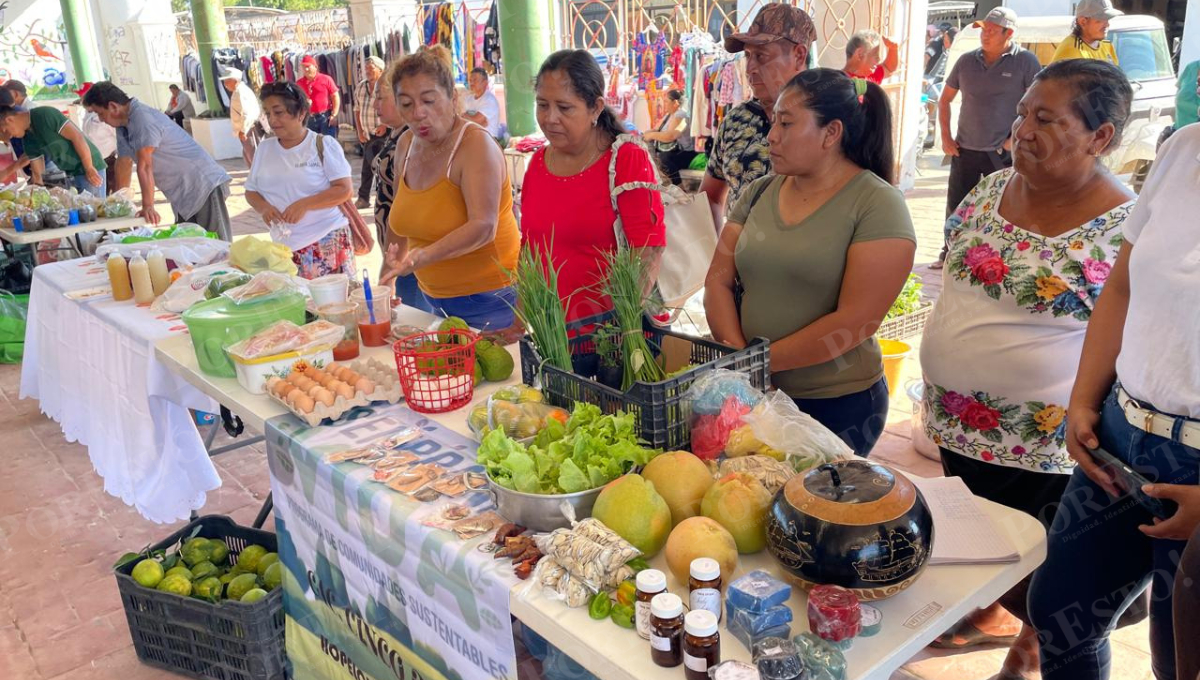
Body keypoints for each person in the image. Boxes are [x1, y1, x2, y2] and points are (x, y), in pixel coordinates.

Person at [921, 59, 1136, 680]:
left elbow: (1130, 338)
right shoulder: (989, 187)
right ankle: (991, 614)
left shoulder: (1125, 226)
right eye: (1022, 113)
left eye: (1046, 118)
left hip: (1046, 444)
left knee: (1049, 570)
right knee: (983, 539)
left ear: (1101, 137)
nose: (1022, 129)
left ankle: (1027, 654)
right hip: (959, 424)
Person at [1027, 123, 1200, 680]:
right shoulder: (1184, 148)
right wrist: (1085, 399)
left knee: (1181, 661)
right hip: (1122, 437)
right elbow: (1122, 286)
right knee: (1061, 610)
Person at [704, 70, 916, 457]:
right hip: (754, 395)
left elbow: (854, 323)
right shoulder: (758, 192)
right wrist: (744, 366)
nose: (772, 136)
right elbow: (717, 280)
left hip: (835, 404)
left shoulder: (877, 204)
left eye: (786, 123)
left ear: (831, 133)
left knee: (813, 510)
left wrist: (757, 364)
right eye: (774, 123)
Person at [520, 49, 665, 326]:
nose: (550, 118)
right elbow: (529, 249)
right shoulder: (538, 162)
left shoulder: (626, 158)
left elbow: (649, 251)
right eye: (542, 104)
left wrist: (623, 330)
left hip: (609, 339)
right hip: (552, 336)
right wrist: (522, 317)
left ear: (596, 108)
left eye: (564, 108)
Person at [379, 46, 520, 330]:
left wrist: (421, 257)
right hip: (434, 299)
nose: (419, 113)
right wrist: (387, 278)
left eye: (429, 100)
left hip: (491, 300)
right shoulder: (406, 144)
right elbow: (400, 218)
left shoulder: (474, 145)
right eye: (406, 104)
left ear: (453, 98)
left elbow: (483, 226)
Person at [934, 7, 1041, 269]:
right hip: (965, 148)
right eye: (984, 29)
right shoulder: (966, 62)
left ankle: (999, 254)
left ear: (1009, 33)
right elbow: (945, 100)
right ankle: (949, 254)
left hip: (1003, 152)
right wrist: (946, 138)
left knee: (1003, 205)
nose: (986, 34)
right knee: (958, 206)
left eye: (993, 30)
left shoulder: (1026, 62)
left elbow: (1036, 106)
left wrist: (1011, 140)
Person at [701, 3, 815, 229]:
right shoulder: (735, 121)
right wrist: (720, 251)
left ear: (799, 55)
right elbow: (710, 197)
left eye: (762, 56)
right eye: (748, 56)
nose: (750, 67)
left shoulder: (827, 120)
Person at [83, 82, 232, 239]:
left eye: (100, 113)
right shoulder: (123, 124)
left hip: (202, 184)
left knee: (217, 246)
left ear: (113, 106)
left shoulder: (142, 118)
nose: (101, 119)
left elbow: (145, 165)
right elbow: (124, 162)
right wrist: (118, 205)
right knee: (191, 244)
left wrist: (148, 206)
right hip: (182, 191)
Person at [244, 82, 354, 280]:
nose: (272, 120)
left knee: (333, 305)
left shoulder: (322, 145)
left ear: (301, 113)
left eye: (278, 112)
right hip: (284, 249)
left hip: (326, 241)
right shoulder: (264, 149)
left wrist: (304, 205)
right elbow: (251, 191)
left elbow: (344, 190)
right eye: (268, 113)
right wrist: (264, 208)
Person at [371, 64, 430, 313]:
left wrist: (390, 270)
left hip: (411, 257)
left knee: (416, 322)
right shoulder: (400, 136)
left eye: (380, 98)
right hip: (401, 255)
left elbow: (407, 209)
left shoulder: (415, 141)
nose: (375, 105)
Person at [0, 104, 107, 196]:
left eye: (4, 130)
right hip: (70, 173)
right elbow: (38, 173)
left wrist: (89, 167)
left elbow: (77, 137)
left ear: (9, 119)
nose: (8, 136)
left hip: (89, 166)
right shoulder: (27, 138)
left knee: (94, 211)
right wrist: (37, 194)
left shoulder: (44, 114)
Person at [353, 56, 388, 209]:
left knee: (384, 167)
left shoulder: (387, 86)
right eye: (366, 68)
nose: (367, 71)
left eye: (371, 68)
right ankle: (363, 198)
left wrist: (385, 125)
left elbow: (394, 106)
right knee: (367, 167)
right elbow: (357, 109)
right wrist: (359, 130)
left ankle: (383, 196)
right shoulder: (361, 86)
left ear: (380, 70)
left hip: (385, 133)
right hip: (368, 134)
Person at [643, 89, 697, 186]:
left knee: (663, 158)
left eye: (666, 101)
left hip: (685, 152)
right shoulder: (668, 116)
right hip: (673, 151)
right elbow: (656, 129)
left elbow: (671, 136)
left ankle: (678, 187)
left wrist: (651, 135)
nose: (664, 104)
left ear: (675, 103)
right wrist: (645, 134)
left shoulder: (681, 117)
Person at [1051, 0, 1121, 65]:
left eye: (1108, 19)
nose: (1107, 25)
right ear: (1083, 21)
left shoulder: (1107, 45)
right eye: (1101, 19)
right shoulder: (1072, 50)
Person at [222, 69, 264, 168]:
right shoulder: (240, 90)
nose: (225, 84)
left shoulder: (240, 92)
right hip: (247, 128)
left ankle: (259, 180)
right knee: (250, 156)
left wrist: (243, 130)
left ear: (235, 80)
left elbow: (247, 113)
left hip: (249, 128)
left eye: (227, 81)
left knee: (254, 157)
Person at [297, 56, 340, 137]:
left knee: (328, 144)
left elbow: (335, 96)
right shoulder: (299, 83)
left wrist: (334, 115)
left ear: (315, 67)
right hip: (309, 118)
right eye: (303, 67)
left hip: (325, 117)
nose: (305, 69)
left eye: (308, 66)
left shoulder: (326, 79)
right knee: (311, 145)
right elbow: (295, 100)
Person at [463, 67, 502, 139]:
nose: (471, 83)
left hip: (488, 140)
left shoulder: (489, 99)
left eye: (475, 80)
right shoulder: (468, 99)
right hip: (473, 139)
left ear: (485, 83)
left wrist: (465, 117)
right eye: (470, 80)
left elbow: (477, 121)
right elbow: (464, 121)